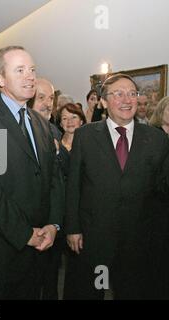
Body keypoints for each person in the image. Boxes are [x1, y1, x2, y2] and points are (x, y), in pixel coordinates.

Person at [0, 45, 64, 299]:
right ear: (0, 78)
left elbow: (53, 179)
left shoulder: (41, 123)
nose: (30, 76)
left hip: (36, 252)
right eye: (20, 70)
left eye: (32, 70)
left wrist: (53, 223)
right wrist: (24, 234)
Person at [64, 74, 169, 299]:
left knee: (132, 291)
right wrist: (72, 228)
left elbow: (163, 187)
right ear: (103, 101)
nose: (127, 100)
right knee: (91, 290)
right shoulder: (85, 136)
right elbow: (73, 185)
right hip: (94, 236)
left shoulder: (156, 139)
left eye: (132, 94)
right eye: (118, 94)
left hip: (138, 238)